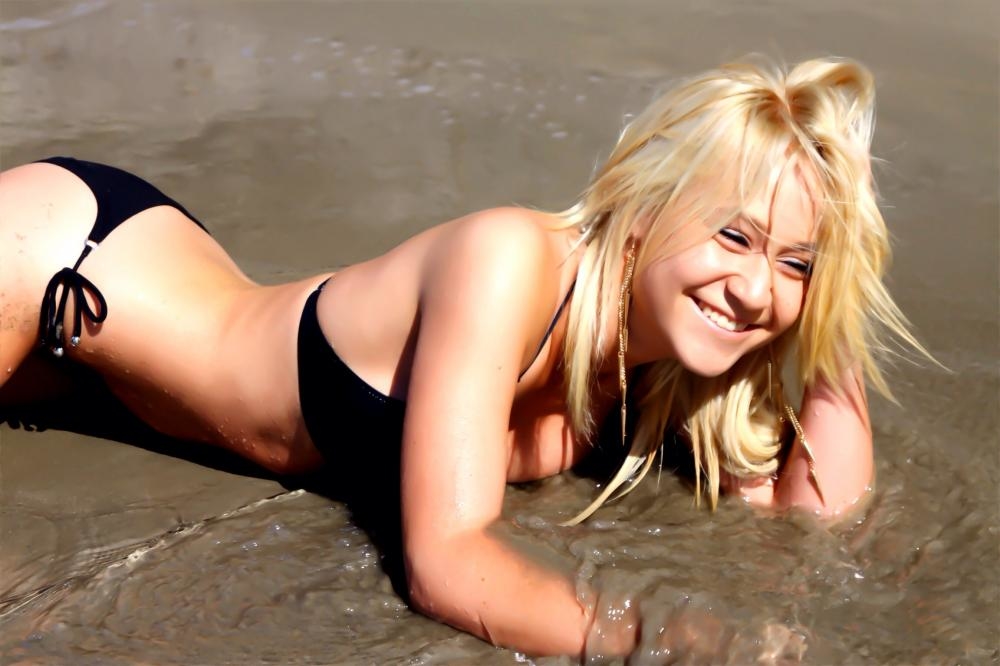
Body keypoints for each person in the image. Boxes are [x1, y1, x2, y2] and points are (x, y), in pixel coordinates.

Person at [0, 57, 927, 657]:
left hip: (95, 376)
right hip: (64, 258)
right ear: (649, 213)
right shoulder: (508, 260)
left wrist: (832, 308)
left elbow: (820, 524)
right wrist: (661, 635)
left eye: (795, 264)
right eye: (735, 236)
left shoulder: (674, 364)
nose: (757, 289)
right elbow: (447, 563)